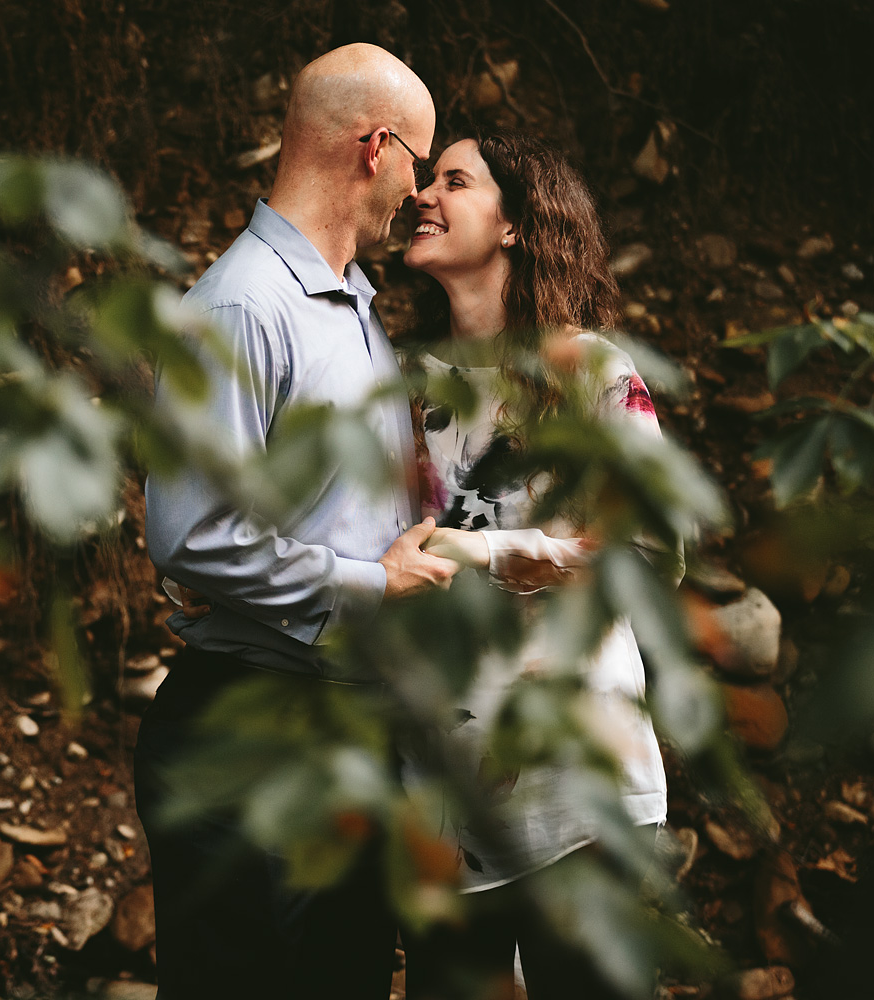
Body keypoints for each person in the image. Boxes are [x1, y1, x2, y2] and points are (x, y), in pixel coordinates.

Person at [137, 43, 458, 1000]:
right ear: (375, 147)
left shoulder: (352, 310)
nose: (421, 191)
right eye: (420, 164)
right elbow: (191, 534)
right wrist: (377, 587)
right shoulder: (241, 306)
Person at [398, 127, 675, 1000]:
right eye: (422, 180)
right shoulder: (403, 384)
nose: (422, 196)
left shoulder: (593, 371)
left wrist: (485, 550)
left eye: (455, 180)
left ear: (517, 224)